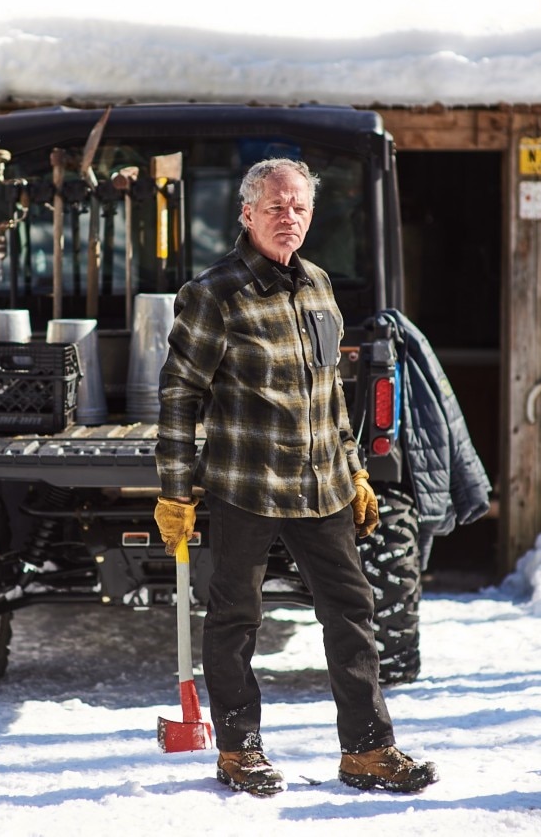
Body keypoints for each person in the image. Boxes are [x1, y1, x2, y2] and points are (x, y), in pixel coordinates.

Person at [152, 158, 439, 797]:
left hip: (322, 486)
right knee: (236, 617)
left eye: (300, 207)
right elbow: (179, 393)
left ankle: (367, 750)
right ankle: (238, 750)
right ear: (247, 214)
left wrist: (356, 470)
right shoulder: (214, 292)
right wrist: (175, 490)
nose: (290, 218)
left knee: (352, 609)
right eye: (277, 207)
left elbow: (330, 392)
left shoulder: (317, 285)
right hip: (246, 486)